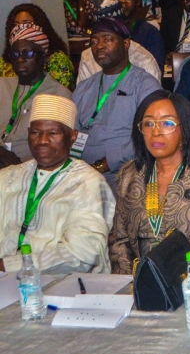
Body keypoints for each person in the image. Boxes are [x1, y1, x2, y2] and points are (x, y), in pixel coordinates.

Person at [109, 91, 190, 282]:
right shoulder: (129, 174)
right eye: (149, 123)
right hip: (141, 284)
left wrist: (163, 277)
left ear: (185, 130)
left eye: (167, 123)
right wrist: (134, 283)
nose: (156, 132)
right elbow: (119, 241)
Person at [0, 95, 114, 276]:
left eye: (53, 133)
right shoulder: (8, 177)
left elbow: (83, 253)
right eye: (35, 132)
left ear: (73, 137)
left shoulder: (88, 183)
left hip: (65, 287)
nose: (42, 140)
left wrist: (9, 266)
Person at [73, 13, 162, 187]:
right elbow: (71, 133)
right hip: (82, 175)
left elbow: (149, 137)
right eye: (94, 42)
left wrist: (103, 164)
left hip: (126, 174)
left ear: (126, 44)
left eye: (107, 40)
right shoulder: (83, 88)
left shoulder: (145, 85)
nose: (99, 46)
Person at [0, 25, 72, 166]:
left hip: (31, 168)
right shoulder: (2, 85)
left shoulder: (58, 95)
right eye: (15, 54)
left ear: (43, 57)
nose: (20, 59)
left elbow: (59, 149)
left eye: (27, 53)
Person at [0, 4, 74, 89]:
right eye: (15, 25)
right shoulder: (3, 64)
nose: (20, 29)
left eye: (27, 24)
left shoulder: (58, 60)